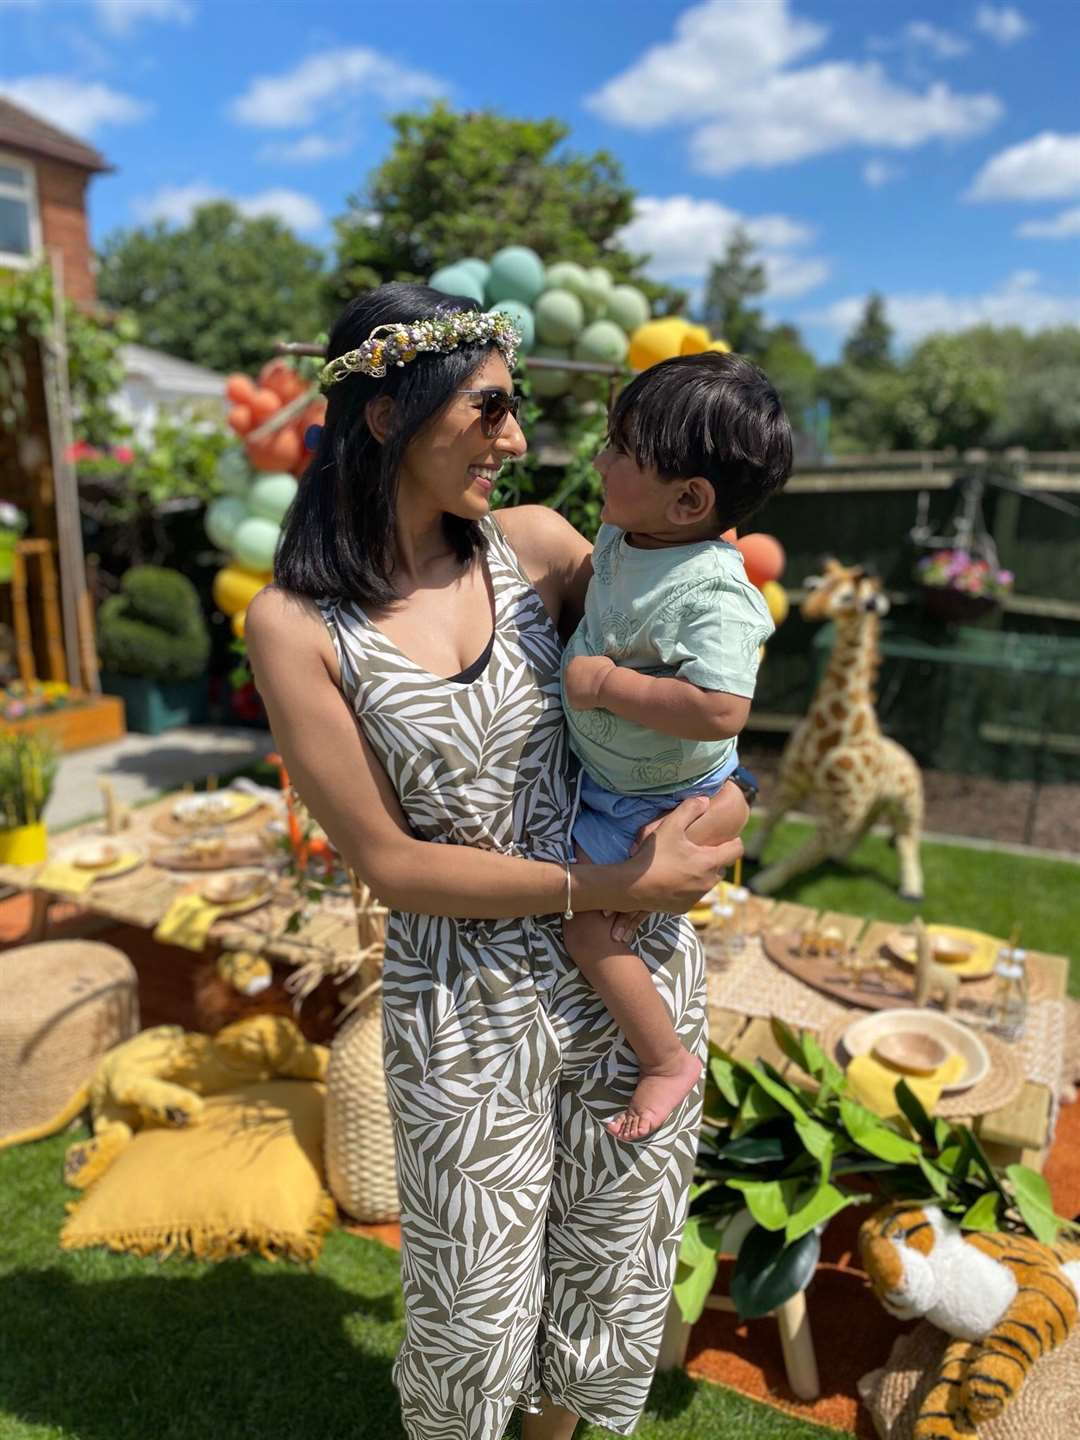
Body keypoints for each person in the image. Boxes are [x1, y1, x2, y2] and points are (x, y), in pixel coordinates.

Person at [245, 282, 744, 1440]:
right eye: (487, 410)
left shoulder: (538, 550)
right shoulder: (299, 625)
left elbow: (698, 652)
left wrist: (719, 805)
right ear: (386, 418)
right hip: (468, 1005)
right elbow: (391, 864)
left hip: (631, 980)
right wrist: (606, 885)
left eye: (511, 408)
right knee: (473, 1312)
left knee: (609, 1280)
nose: (515, 440)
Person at [560, 353, 793, 1142]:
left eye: (621, 450)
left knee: (587, 929)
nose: (600, 460)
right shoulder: (627, 538)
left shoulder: (714, 592)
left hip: (654, 797)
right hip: (625, 784)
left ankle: (664, 1059)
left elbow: (722, 708)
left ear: (690, 499)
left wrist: (606, 688)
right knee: (627, 901)